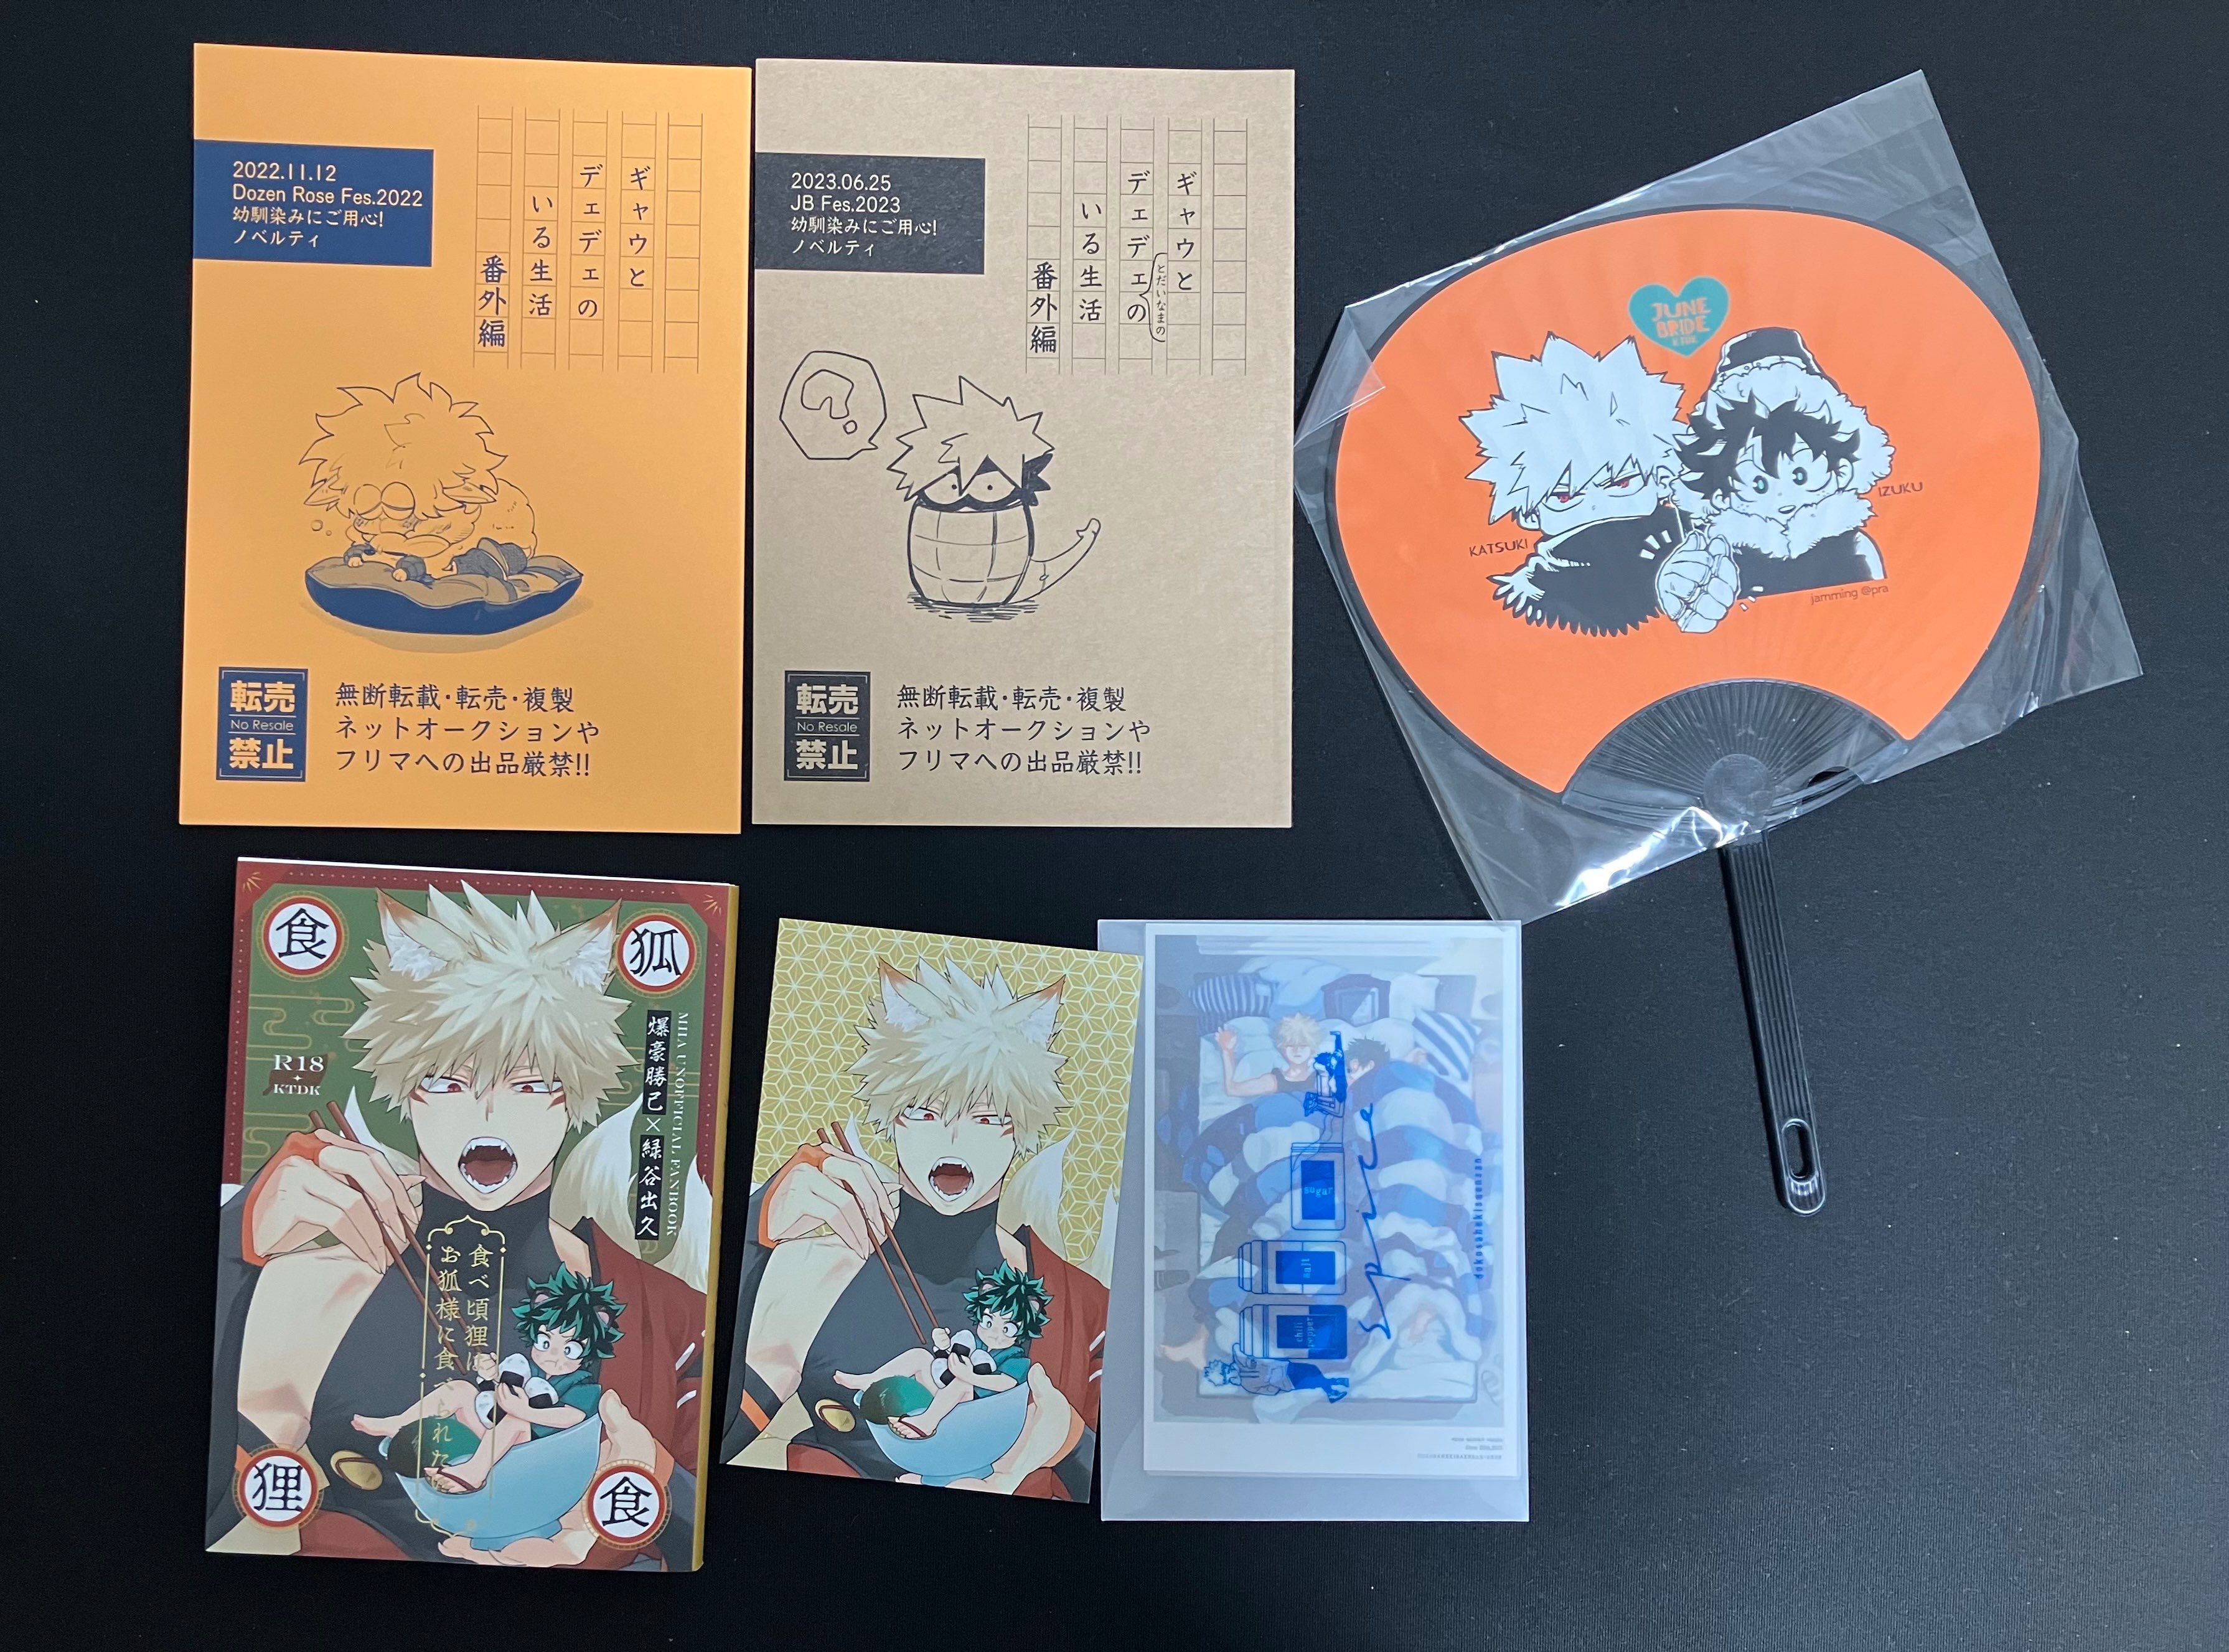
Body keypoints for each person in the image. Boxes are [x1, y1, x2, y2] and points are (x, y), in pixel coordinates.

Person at [207, 885, 708, 1567]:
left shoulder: (666, 1311)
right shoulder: (312, 1291)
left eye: (530, 1084)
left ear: (574, 1099)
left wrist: (649, 1489)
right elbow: (198, 1511)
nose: (487, 1115)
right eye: (445, 1082)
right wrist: (236, 1246)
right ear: (404, 1094)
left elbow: (724, 1540)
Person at [721, 961, 1107, 1499]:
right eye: (923, 1113)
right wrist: (752, 1231)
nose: (953, 1140)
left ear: (1019, 1129)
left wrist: (1069, 1442)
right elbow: (689, 1451)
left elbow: (1134, 1496)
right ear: (891, 1121)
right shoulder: (813, 1275)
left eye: (986, 1117)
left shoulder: (1079, 1302)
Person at [1655, 327, 1896, 632]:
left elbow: (1875, 614)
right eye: (1759, 485)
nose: (1782, 497)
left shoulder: (1853, 548)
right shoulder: (1720, 553)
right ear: (1722, 494)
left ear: (1842, 471)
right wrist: (1680, 589)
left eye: (1799, 476)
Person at [1460, 335, 1693, 636]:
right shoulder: (1536, 601)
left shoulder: (1715, 546)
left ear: (1663, 479)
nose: (1597, 508)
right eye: (1564, 497)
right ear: (1529, 514)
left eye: (1622, 483)